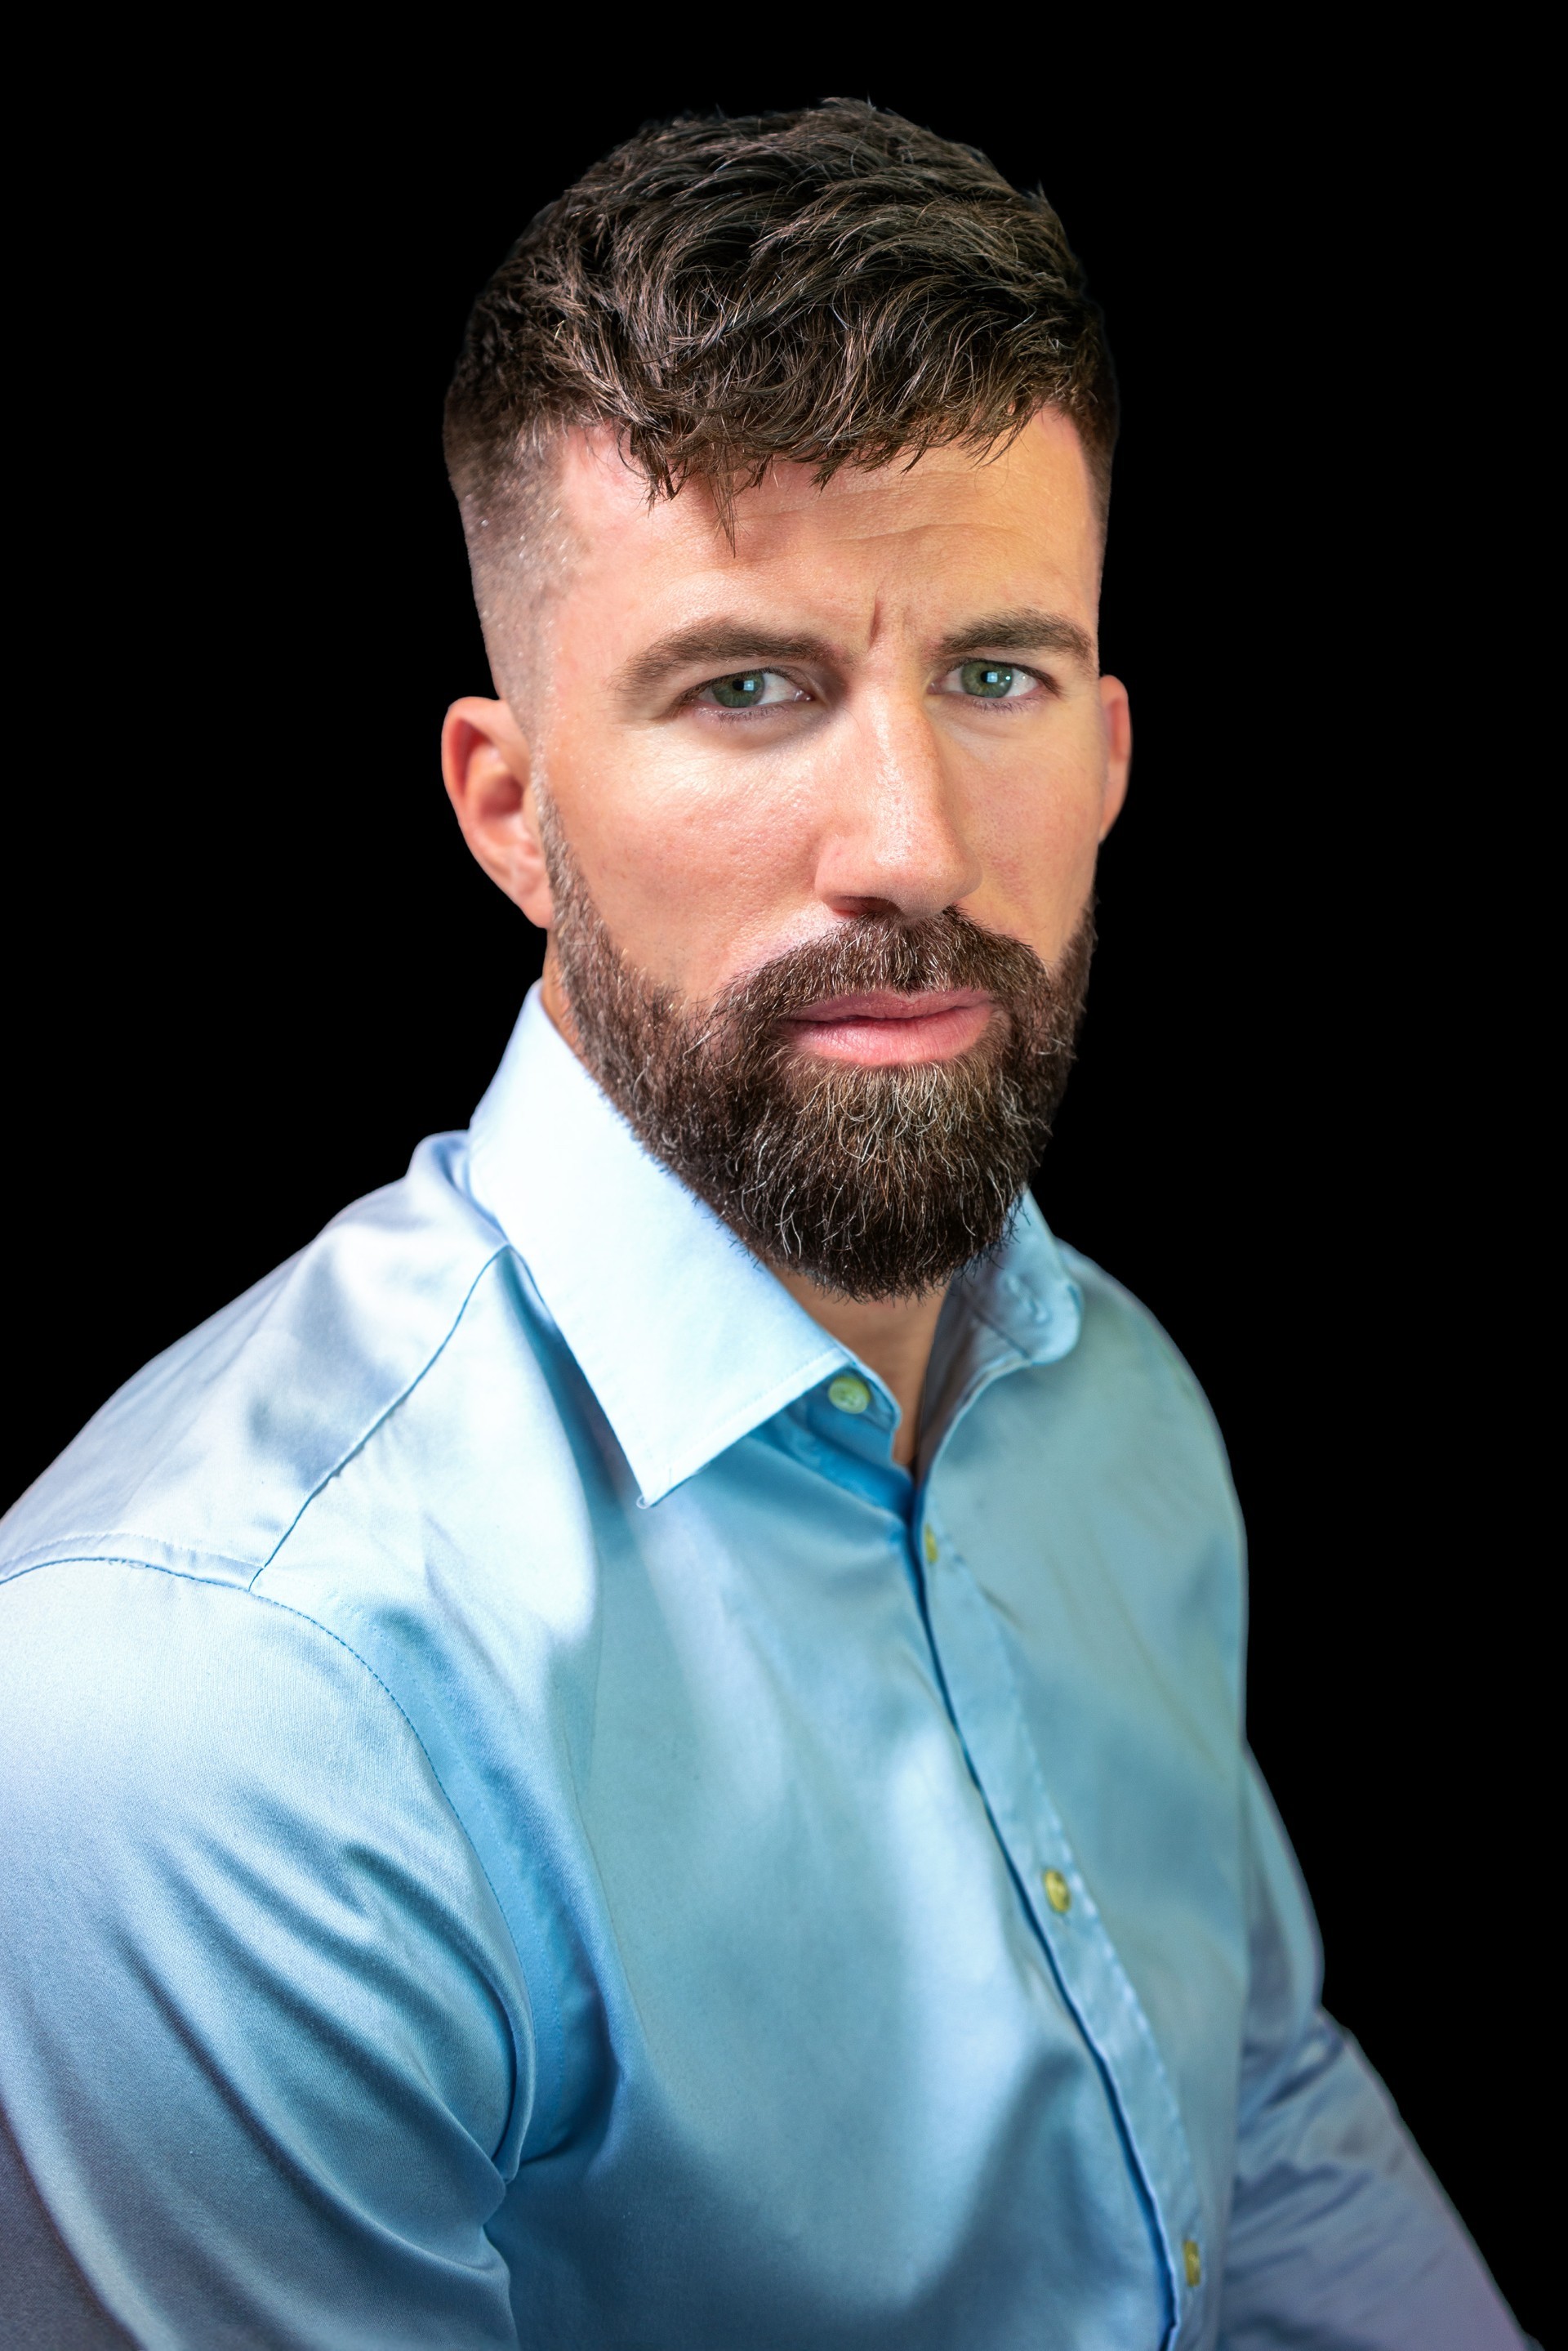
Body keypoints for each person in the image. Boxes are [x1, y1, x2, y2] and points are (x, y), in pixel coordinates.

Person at [0, 100, 1523, 2351]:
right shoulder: (216, 1706)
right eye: (747, 688)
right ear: (509, 810)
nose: (910, 844)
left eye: (994, 676)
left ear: (1110, 754)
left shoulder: (1112, 1400)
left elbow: (1263, 2113)